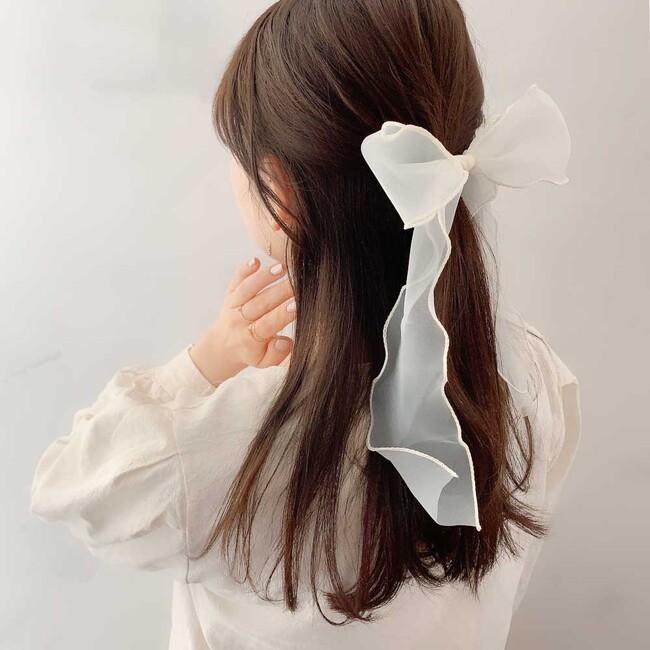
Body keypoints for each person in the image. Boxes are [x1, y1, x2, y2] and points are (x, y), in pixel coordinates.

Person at [29, 1, 582, 648]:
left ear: (280, 191)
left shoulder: (227, 448)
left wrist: (203, 365)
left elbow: (70, 486)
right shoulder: (533, 382)